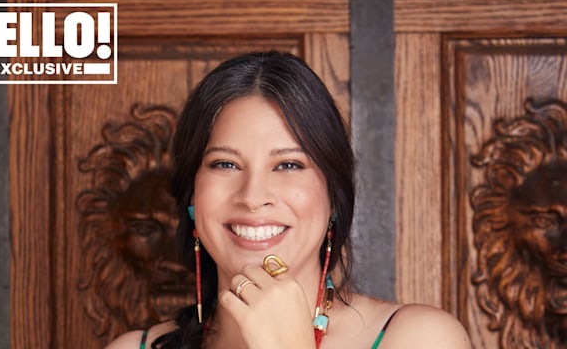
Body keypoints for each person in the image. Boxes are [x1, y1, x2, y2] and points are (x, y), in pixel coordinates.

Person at [105, 51, 471, 348]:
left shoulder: (419, 338)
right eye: (226, 163)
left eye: (288, 164)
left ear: (333, 196)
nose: (253, 197)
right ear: (192, 197)